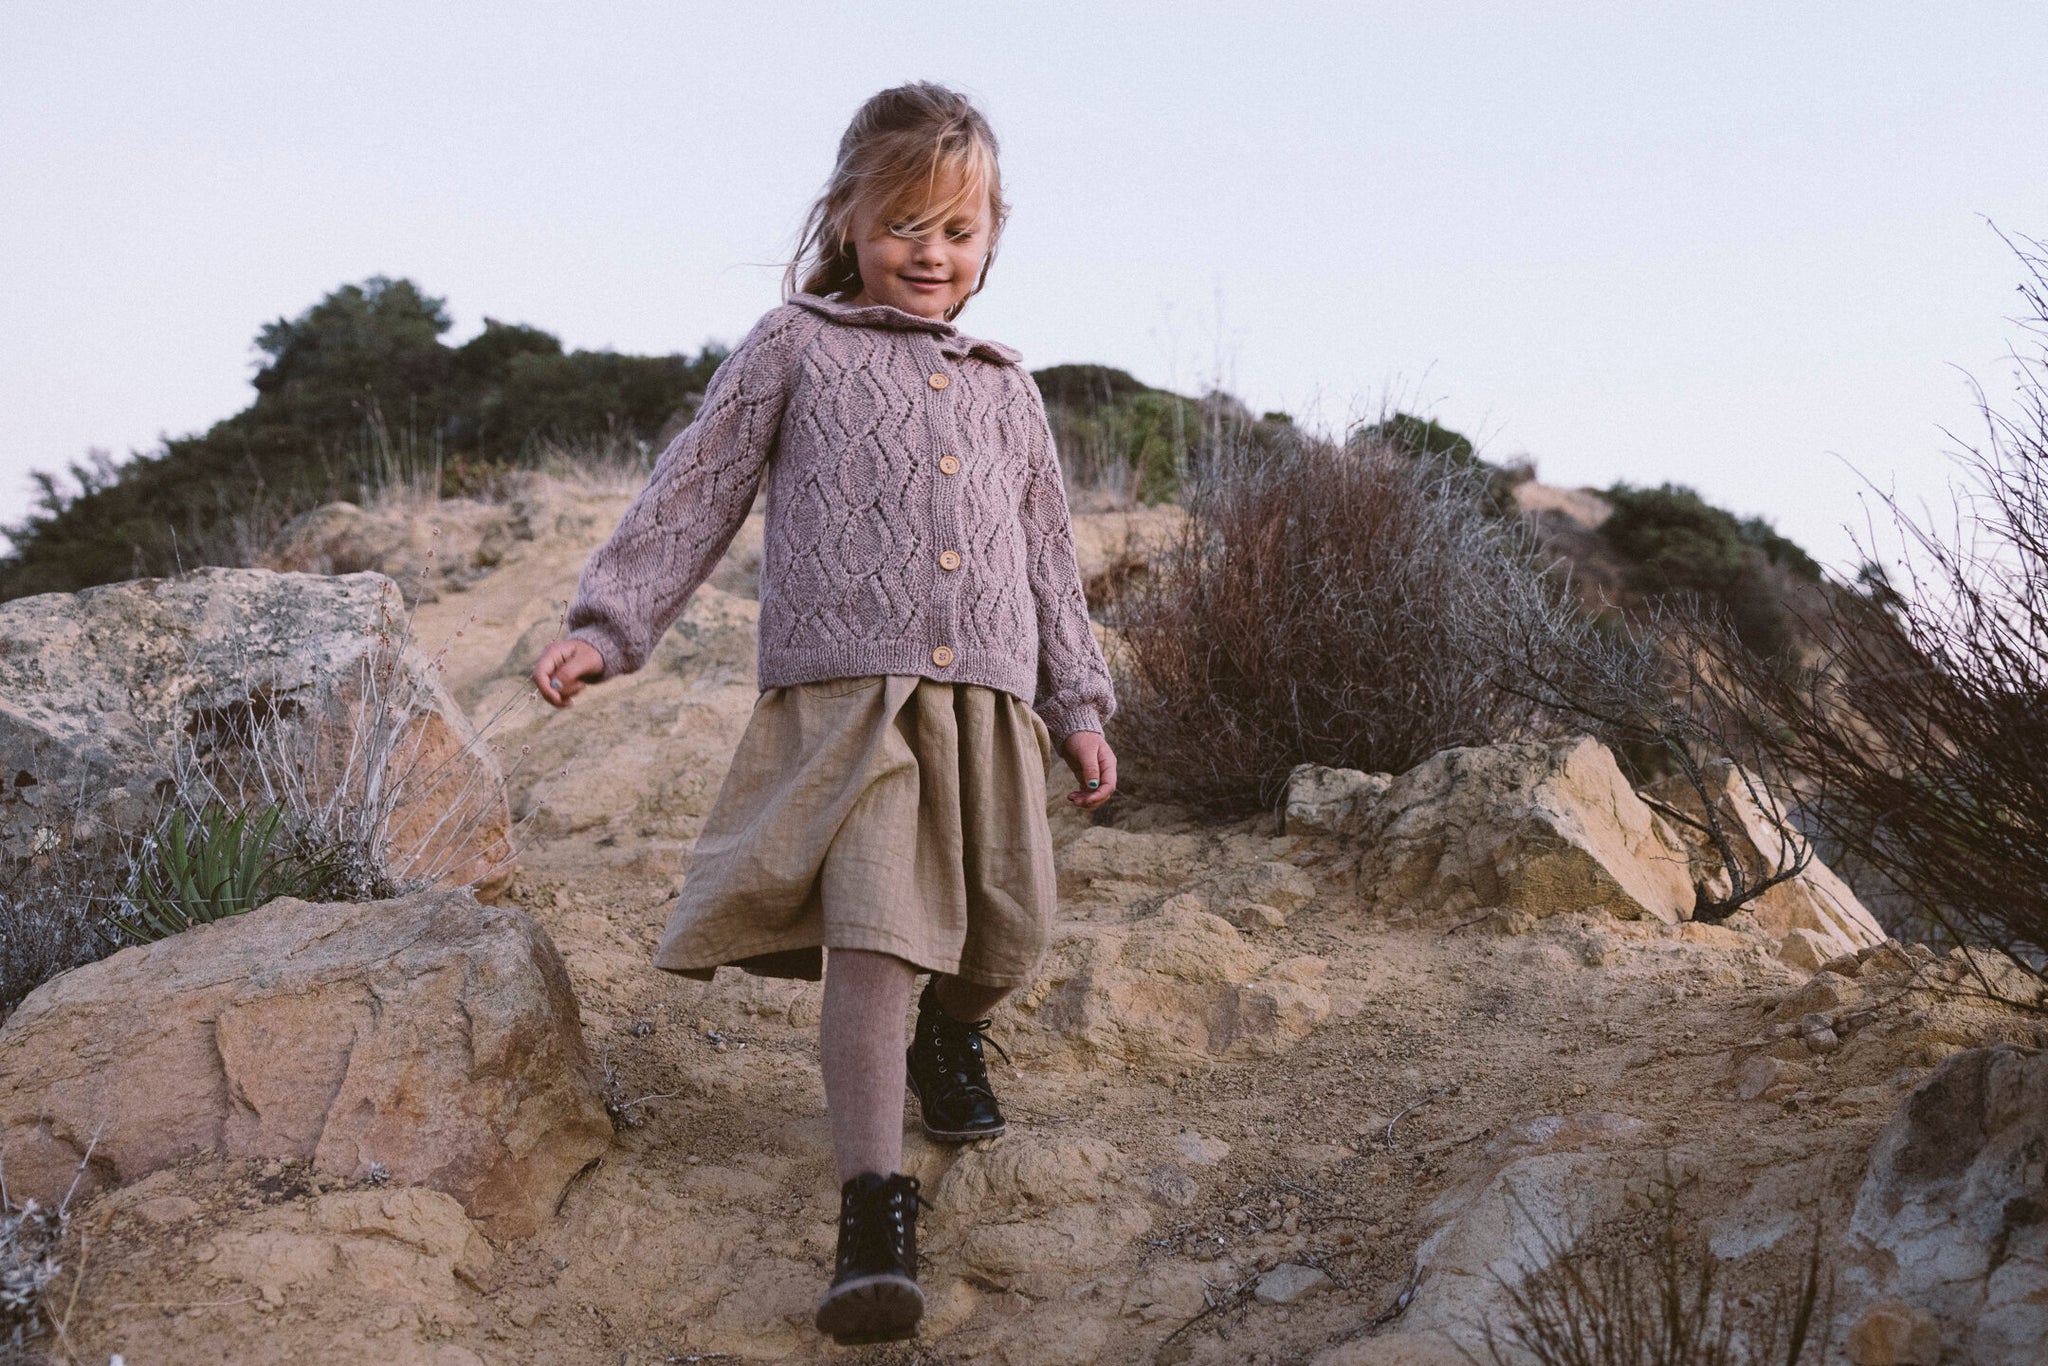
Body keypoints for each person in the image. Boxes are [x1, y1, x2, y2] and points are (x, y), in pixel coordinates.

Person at [528, 81, 1118, 1346]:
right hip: (849, 698)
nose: (929, 251)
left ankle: (947, 1035)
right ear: (846, 217)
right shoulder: (792, 343)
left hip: (987, 700)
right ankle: (872, 1204)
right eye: (902, 222)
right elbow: (693, 490)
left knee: (998, 929)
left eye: (956, 231)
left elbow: (1047, 559)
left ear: (990, 242)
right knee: (874, 930)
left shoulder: (1008, 391)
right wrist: (607, 625)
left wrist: (1078, 701)